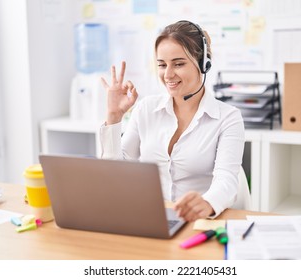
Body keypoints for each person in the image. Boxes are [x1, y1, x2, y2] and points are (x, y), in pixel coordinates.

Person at [99, 20, 245, 222]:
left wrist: (207, 203)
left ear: (204, 64)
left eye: (178, 64)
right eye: (162, 65)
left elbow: (227, 180)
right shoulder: (146, 109)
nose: (168, 74)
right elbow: (115, 172)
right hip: (148, 217)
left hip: (196, 221)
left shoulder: (228, 118)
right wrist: (114, 117)